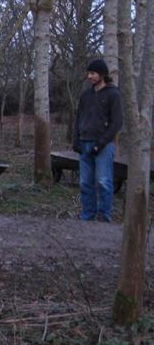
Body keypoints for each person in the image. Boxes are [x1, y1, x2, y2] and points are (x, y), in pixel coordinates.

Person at [73, 58, 123, 222]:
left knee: (103, 182)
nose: (89, 76)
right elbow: (79, 117)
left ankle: (104, 216)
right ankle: (88, 215)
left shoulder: (113, 94)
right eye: (88, 73)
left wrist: (101, 144)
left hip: (104, 145)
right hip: (85, 142)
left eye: (92, 73)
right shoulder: (86, 95)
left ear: (102, 74)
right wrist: (76, 140)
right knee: (85, 183)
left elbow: (117, 123)